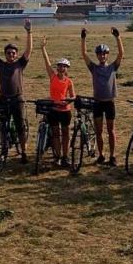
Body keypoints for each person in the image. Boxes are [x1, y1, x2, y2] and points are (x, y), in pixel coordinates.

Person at [0, 19, 32, 164]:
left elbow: (29, 50)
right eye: (8, 53)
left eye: (13, 53)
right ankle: (3, 151)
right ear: (5, 54)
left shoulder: (20, 64)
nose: (11, 55)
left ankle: (24, 152)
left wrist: (29, 32)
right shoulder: (1, 65)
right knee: (3, 125)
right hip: (3, 99)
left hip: (17, 99)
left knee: (20, 127)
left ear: (16, 54)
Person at [81, 27, 124, 167]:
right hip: (97, 103)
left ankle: (112, 156)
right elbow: (84, 54)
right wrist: (83, 38)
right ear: (97, 56)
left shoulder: (112, 67)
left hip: (109, 103)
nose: (102, 56)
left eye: (105, 54)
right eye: (100, 54)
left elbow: (121, 54)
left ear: (107, 55)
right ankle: (101, 155)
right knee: (99, 131)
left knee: (111, 131)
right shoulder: (94, 68)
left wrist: (117, 37)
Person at [41, 36, 75, 168]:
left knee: (65, 134)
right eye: (59, 66)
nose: (61, 68)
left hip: (65, 110)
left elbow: (73, 96)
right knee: (55, 134)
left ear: (67, 69)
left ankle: (66, 157)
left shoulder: (69, 81)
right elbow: (47, 62)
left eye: (64, 67)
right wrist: (43, 48)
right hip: (53, 110)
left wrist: (69, 100)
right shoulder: (52, 76)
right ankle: (58, 156)